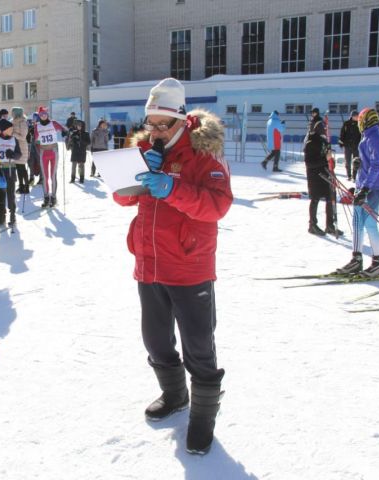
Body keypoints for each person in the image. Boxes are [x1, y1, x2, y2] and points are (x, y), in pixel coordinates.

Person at [114, 78, 232, 455]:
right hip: (149, 264)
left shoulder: (203, 154)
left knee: (198, 347)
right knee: (156, 340)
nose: (156, 130)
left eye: (163, 123)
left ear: (181, 118)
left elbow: (218, 206)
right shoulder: (146, 148)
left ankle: (202, 418)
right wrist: (133, 177)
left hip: (188, 265)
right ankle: (175, 395)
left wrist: (171, 188)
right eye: (151, 122)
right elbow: (121, 198)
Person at [335, 108, 379, 278]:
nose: (358, 123)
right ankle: (356, 259)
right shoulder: (367, 136)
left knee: (370, 224)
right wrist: (359, 164)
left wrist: (365, 189)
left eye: (360, 120)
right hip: (362, 185)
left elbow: (376, 166)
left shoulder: (376, 138)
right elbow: (369, 162)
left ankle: (377, 263)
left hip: (373, 188)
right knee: (357, 222)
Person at [303, 107, 337, 236]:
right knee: (315, 199)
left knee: (330, 197)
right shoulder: (310, 142)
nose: (323, 129)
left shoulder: (323, 141)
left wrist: (330, 161)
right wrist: (325, 160)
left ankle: (330, 225)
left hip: (324, 172)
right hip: (314, 175)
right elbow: (309, 163)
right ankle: (312, 224)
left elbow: (325, 156)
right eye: (321, 127)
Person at [34, 106, 67, 207]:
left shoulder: (53, 123)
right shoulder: (37, 126)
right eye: (41, 115)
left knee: (53, 176)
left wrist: (65, 132)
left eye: (45, 114)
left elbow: (63, 129)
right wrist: (30, 136)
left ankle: (53, 197)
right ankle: (46, 197)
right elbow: (35, 139)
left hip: (53, 151)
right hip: (43, 152)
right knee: (45, 176)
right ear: (39, 116)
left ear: (47, 114)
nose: (43, 116)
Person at [0, 118, 21, 227]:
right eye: (10, 128)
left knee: (10, 194)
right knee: (0, 195)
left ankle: (13, 216)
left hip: (10, 169)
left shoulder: (14, 140)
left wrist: (13, 155)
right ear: (4, 130)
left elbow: (19, 154)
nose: (12, 130)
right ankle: (1, 217)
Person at [11, 107, 30, 194]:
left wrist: (13, 134)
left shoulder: (22, 122)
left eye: (13, 112)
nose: (12, 114)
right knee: (18, 168)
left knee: (22, 168)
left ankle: (26, 187)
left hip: (22, 146)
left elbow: (23, 136)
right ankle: (21, 186)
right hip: (15, 146)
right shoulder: (13, 121)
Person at [338, 110, 361, 179]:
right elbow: (342, 133)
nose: (357, 117)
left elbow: (361, 135)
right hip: (347, 145)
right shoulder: (346, 124)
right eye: (355, 116)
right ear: (352, 116)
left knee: (356, 161)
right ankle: (349, 175)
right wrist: (341, 142)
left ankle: (354, 176)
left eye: (357, 116)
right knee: (347, 161)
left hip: (356, 145)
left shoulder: (359, 124)